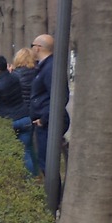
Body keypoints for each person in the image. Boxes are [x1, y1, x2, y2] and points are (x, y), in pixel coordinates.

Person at [29, 33, 68, 177]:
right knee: (44, 161)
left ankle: (53, 197)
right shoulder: (44, 66)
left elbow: (60, 96)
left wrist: (43, 119)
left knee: (48, 164)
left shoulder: (50, 68)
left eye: (32, 46)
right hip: (45, 120)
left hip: (47, 122)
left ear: (38, 48)